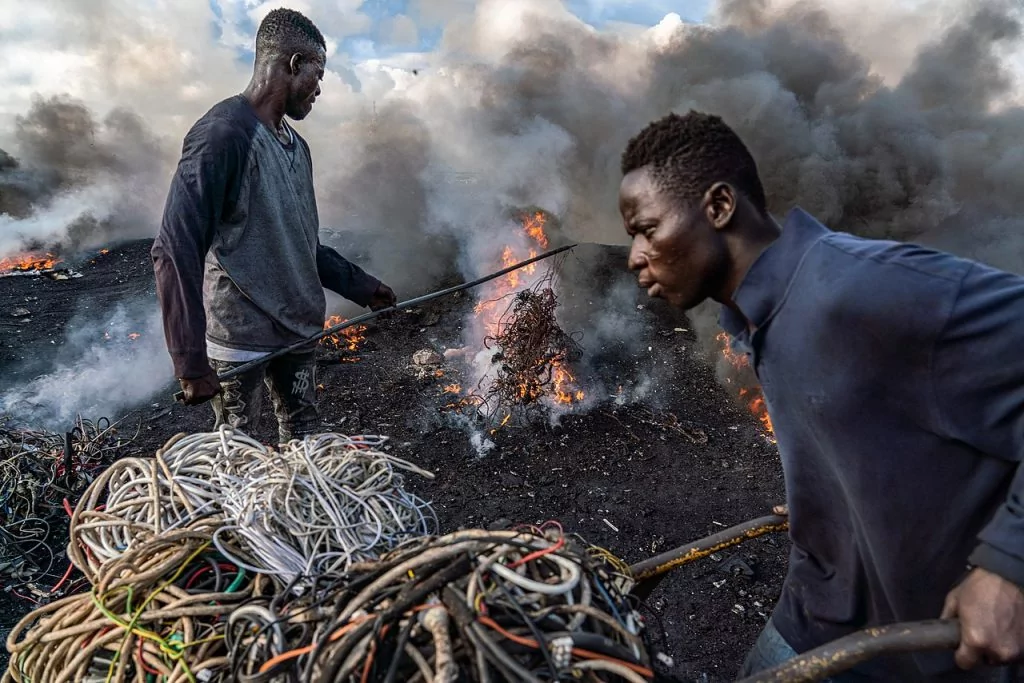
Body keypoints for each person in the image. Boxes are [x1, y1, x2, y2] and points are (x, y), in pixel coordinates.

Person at [618, 110, 1024, 681]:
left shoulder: (862, 288)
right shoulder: (758, 317)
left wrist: (1009, 568)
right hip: (820, 609)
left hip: (936, 647)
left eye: (647, 228)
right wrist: (828, 496)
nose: (635, 255)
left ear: (718, 207)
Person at [152, 8, 395, 443]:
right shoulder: (222, 135)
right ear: (294, 63)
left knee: (305, 442)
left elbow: (301, 241)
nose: (319, 88)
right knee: (238, 455)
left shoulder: (296, 146)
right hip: (241, 334)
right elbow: (176, 248)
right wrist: (189, 360)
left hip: (298, 330)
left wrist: (362, 286)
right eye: (317, 74)